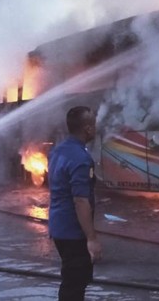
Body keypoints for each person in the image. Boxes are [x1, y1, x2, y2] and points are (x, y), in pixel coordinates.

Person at [48, 106, 102, 301]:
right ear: (87, 129)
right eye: (94, 125)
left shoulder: (56, 151)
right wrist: (92, 238)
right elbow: (80, 200)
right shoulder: (81, 158)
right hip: (73, 231)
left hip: (57, 227)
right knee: (75, 283)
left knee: (72, 280)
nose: (96, 129)